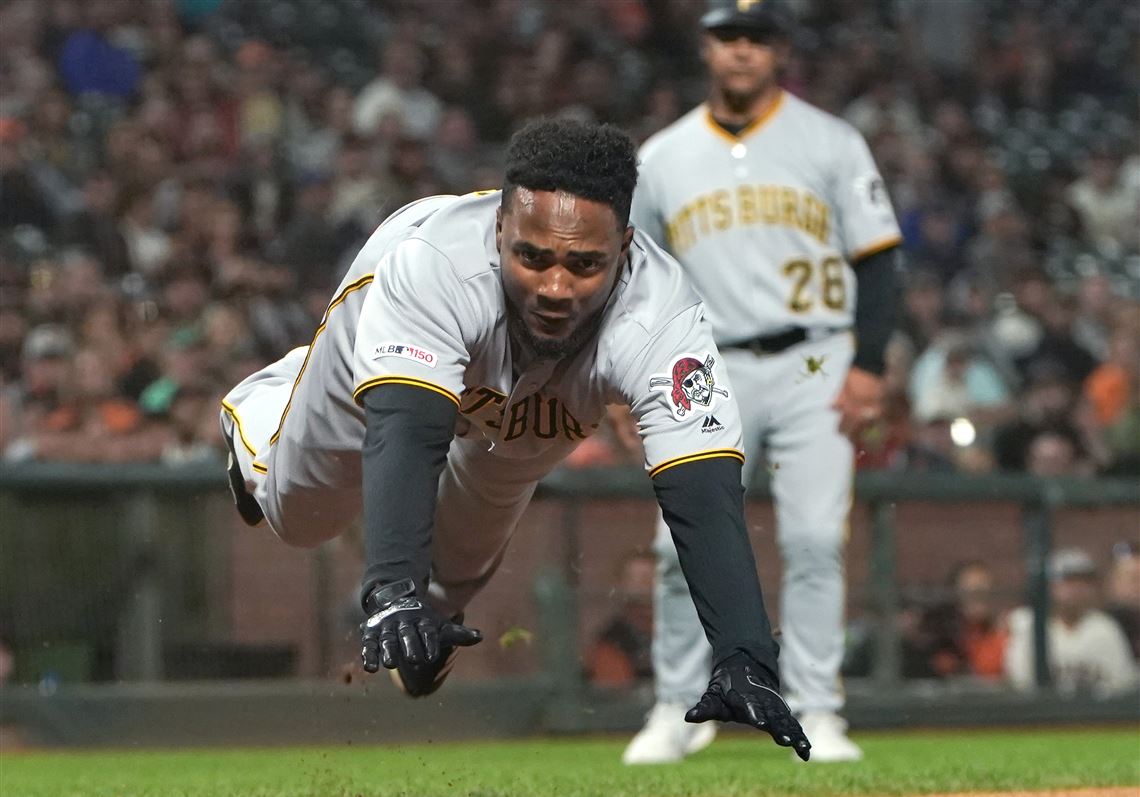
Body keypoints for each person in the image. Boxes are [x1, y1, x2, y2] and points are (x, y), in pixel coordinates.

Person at [219, 119, 811, 759]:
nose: (555, 287)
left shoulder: (661, 314)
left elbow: (704, 495)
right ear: (500, 228)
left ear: (626, 248)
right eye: (533, 257)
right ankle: (266, 404)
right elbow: (408, 438)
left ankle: (431, 610)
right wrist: (390, 591)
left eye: (584, 264)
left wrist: (744, 651)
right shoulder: (434, 266)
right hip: (396, 334)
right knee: (301, 516)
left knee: (457, 572)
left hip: (541, 403)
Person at [625, 0, 904, 763]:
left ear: (779, 51)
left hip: (817, 357)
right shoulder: (664, 155)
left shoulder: (831, 141)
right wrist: (628, 379)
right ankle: (677, 707)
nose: (741, 51)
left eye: (755, 38)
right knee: (676, 542)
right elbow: (634, 282)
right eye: (727, 37)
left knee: (815, 538)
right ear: (707, 49)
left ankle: (819, 705)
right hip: (702, 363)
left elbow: (878, 258)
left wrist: (871, 366)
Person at [1004, 548, 1137, 698]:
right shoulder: (1027, 624)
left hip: (1095, 717)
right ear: (1050, 586)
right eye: (1068, 581)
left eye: (1082, 582)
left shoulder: (1105, 628)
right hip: (1043, 718)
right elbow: (1021, 684)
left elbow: (1122, 686)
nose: (1076, 589)